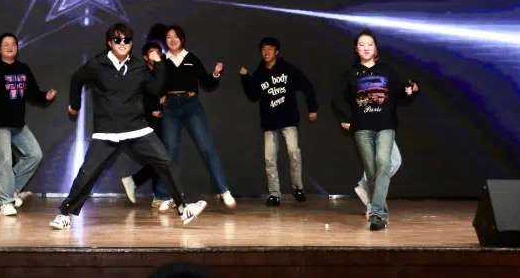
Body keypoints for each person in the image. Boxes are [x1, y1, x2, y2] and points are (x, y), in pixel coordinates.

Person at [51, 23, 207, 230]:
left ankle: (183, 208)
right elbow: (76, 79)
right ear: (110, 43)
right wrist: (75, 105)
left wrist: (159, 65)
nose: (122, 43)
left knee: (165, 162)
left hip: (136, 127)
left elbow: (155, 90)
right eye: (117, 40)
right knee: (88, 173)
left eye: (127, 40)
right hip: (107, 130)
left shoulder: (138, 67)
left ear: (132, 44)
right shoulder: (98, 64)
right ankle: (64, 214)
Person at [330, 28, 419, 230]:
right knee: (371, 173)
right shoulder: (351, 74)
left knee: (383, 163)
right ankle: (376, 210)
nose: (366, 48)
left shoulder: (386, 70)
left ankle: (378, 214)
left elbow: (401, 91)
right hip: (362, 129)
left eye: (370, 44)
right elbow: (337, 98)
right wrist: (345, 118)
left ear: (376, 48)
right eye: (361, 44)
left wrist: (411, 88)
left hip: (385, 126)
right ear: (356, 49)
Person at [154, 25, 235, 210]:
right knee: (169, 152)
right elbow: (155, 86)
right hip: (171, 107)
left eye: (176, 36)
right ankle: (167, 196)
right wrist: (158, 102)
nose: (172, 39)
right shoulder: (162, 61)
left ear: (182, 39)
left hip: (191, 105)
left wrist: (215, 74)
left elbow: (206, 82)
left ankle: (224, 191)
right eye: (168, 37)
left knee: (207, 147)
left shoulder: (191, 58)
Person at [0, 33, 56, 216]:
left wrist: (45, 96)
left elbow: (32, 92)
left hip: (18, 124)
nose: (10, 47)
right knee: (5, 161)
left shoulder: (23, 68)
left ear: (17, 48)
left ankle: (10, 189)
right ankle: (5, 202)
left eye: (13, 44)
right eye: (5, 44)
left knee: (35, 155)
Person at [238, 37, 318, 206]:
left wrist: (312, 108)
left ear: (277, 51)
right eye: (263, 49)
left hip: (288, 119)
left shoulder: (287, 69)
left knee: (294, 153)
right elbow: (253, 95)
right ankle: (274, 193)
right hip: (269, 122)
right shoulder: (259, 73)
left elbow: (306, 85)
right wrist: (245, 78)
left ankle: (298, 188)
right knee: (269, 159)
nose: (266, 52)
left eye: (270, 48)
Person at [120, 42, 167, 208]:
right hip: (146, 120)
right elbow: (141, 96)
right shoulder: (142, 72)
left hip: (162, 119)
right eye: (151, 52)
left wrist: (162, 105)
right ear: (145, 57)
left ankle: (155, 193)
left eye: (158, 52)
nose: (155, 55)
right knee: (160, 156)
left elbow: (165, 93)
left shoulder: (162, 69)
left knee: (161, 156)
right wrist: (155, 106)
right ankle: (153, 192)